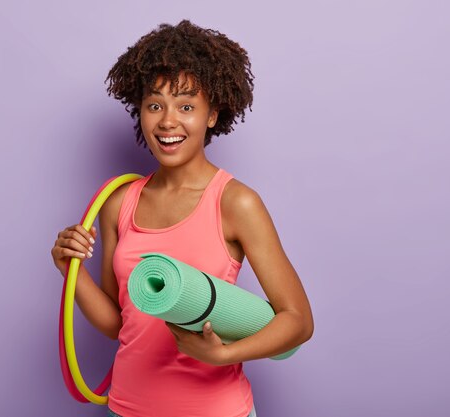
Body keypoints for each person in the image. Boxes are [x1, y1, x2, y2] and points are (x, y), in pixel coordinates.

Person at [51, 20, 314, 417]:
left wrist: (224, 354)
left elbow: (298, 321)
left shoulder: (236, 203)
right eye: (155, 105)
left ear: (212, 116)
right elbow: (121, 324)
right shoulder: (117, 203)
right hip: (125, 409)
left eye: (186, 106)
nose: (168, 122)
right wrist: (71, 270)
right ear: (140, 110)